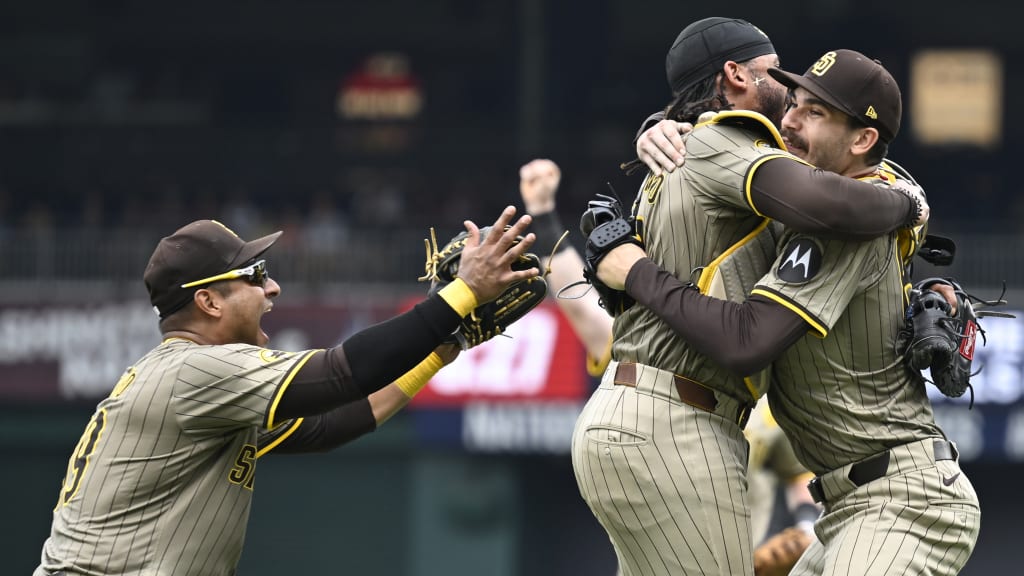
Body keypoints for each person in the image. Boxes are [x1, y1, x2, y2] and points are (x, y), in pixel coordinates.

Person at [595, 50, 979, 575]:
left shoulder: (849, 226)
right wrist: (664, 128)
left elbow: (745, 343)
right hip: (848, 505)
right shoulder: (811, 200)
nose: (790, 120)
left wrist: (636, 273)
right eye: (794, 103)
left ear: (863, 139)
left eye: (814, 113)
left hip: (904, 502)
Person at [34, 208, 539, 576]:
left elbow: (329, 424)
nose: (272, 288)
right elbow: (346, 373)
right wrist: (460, 294)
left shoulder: (201, 385)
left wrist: (438, 351)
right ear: (208, 301)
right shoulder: (196, 372)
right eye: (254, 275)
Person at [518, 158, 818, 554]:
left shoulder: (761, 367)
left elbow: (799, 478)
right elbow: (581, 306)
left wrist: (805, 534)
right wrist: (544, 220)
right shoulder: (649, 342)